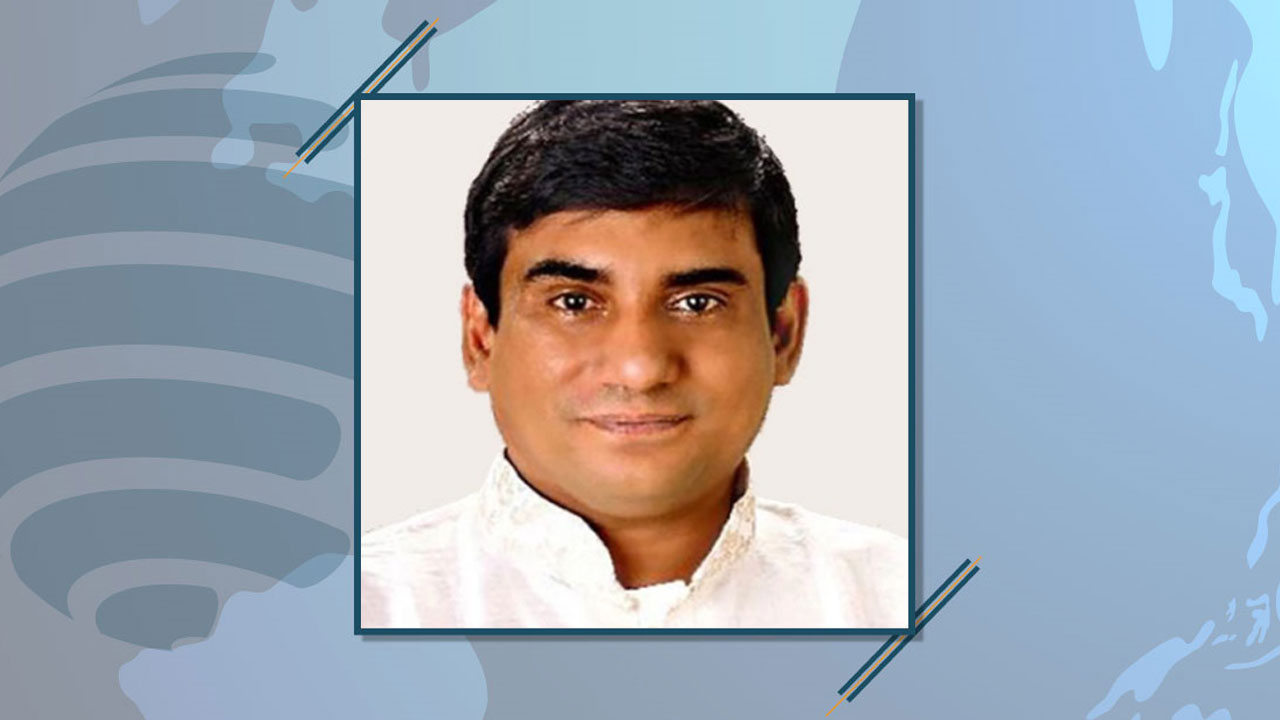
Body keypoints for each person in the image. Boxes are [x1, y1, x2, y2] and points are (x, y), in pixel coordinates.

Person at [360, 99, 907, 629]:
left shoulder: (907, 604)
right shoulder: (352, 614)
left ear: (783, 333)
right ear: (480, 337)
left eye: (698, 303)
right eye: (574, 302)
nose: (640, 369)